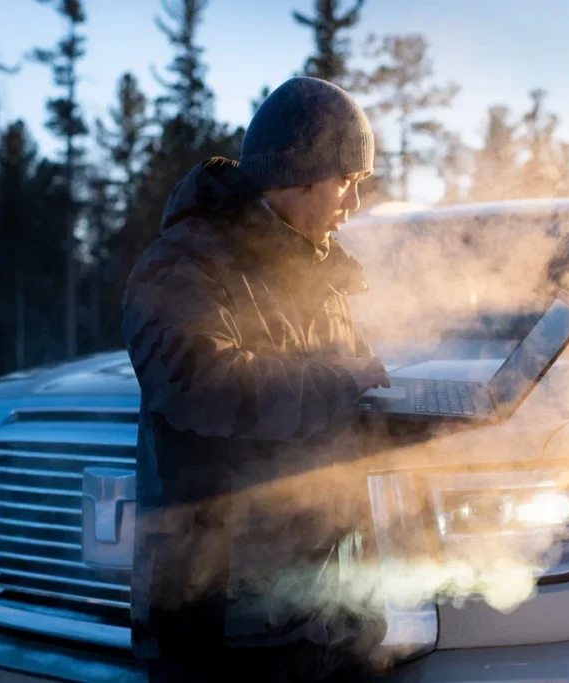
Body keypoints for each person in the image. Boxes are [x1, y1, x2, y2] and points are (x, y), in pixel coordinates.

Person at [121, 77, 391, 682]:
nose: (352, 206)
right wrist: (338, 381)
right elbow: (203, 384)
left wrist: (433, 419)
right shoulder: (183, 263)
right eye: (346, 184)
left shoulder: (316, 274)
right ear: (300, 176)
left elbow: (341, 402)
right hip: (227, 621)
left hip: (330, 604)